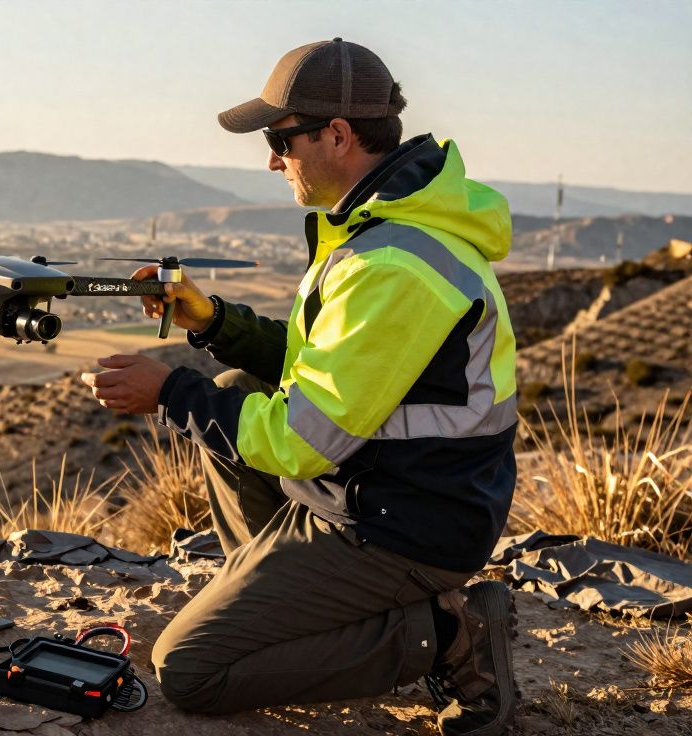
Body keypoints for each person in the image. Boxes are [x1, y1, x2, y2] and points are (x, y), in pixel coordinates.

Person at [79, 38, 519, 736]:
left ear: (337, 135)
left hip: (404, 526)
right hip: (380, 490)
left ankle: (443, 632)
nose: (272, 160)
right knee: (233, 380)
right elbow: (326, 365)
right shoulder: (383, 225)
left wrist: (168, 393)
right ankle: (282, 611)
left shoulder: (394, 263)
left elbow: (301, 438)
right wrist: (214, 321)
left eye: (281, 140)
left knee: (190, 668)